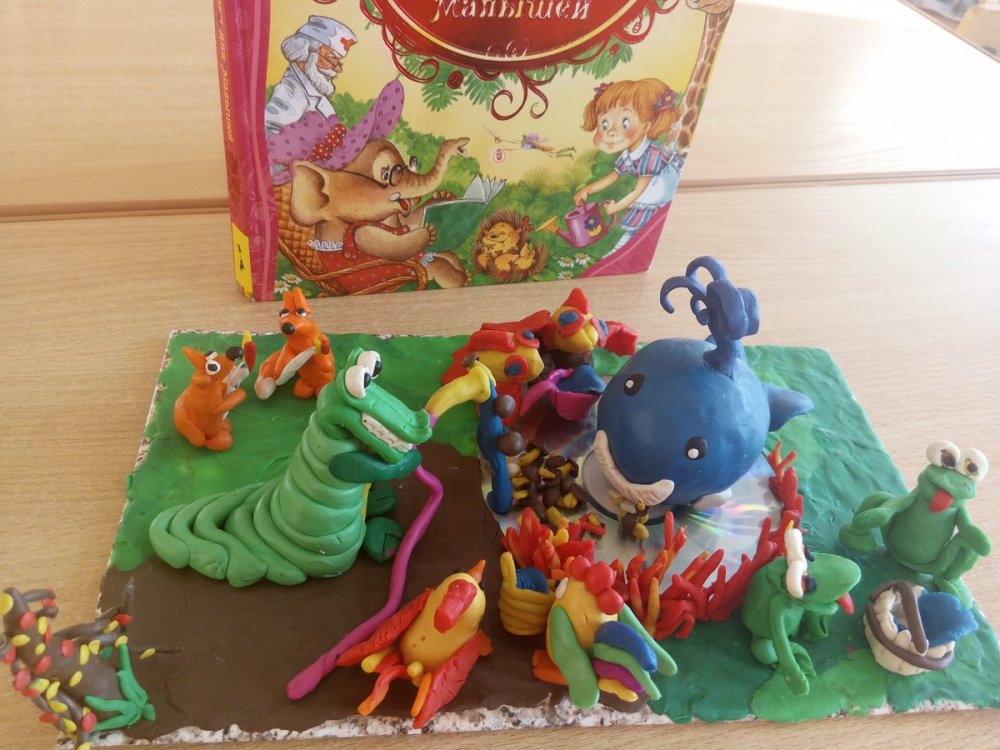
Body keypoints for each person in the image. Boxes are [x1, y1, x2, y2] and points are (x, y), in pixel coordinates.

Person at [572, 79, 683, 253]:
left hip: (660, 195)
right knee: (635, 230)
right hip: (650, 196)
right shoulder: (628, 154)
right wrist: (587, 189)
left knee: (640, 229)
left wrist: (617, 207)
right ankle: (618, 253)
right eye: (605, 124)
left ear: (645, 126)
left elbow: (639, 190)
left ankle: (617, 253)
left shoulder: (651, 154)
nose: (611, 132)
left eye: (624, 123)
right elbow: (612, 177)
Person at [264, 16, 358, 135]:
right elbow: (270, 136)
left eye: (338, 61)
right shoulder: (291, 91)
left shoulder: (313, 89)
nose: (338, 69)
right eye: (332, 58)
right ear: (309, 53)